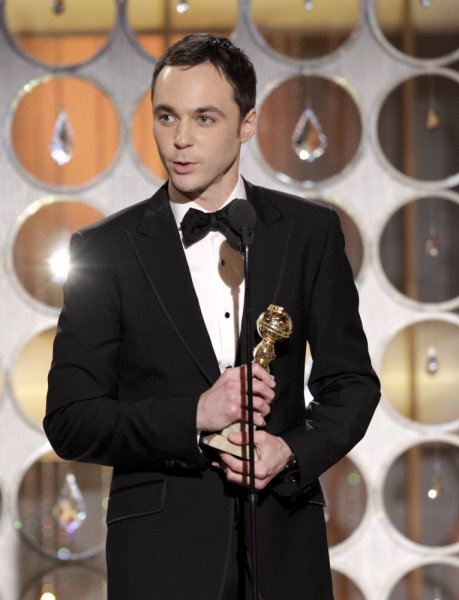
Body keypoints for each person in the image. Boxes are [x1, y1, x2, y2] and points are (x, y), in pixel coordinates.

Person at [44, 33, 380, 600]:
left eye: (204, 118)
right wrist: (193, 416)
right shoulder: (105, 250)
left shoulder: (308, 232)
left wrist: (290, 452)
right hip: (161, 559)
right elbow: (71, 419)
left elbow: (351, 384)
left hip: (284, 545)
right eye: (167, 116)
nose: (180, 138)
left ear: (247, 124)